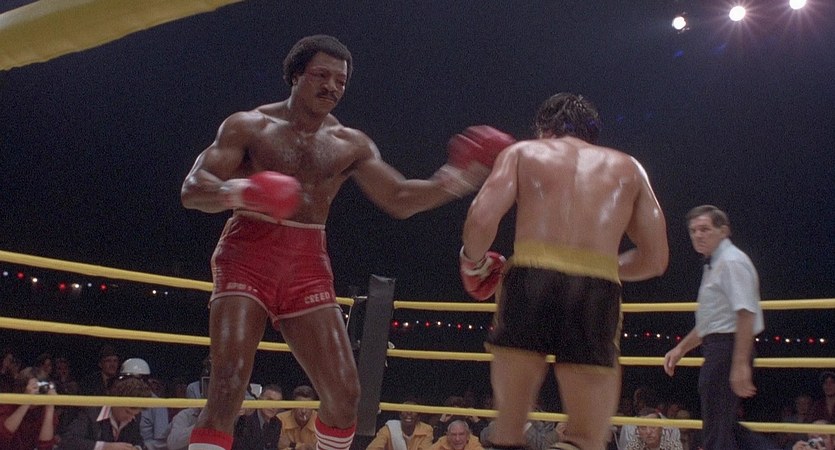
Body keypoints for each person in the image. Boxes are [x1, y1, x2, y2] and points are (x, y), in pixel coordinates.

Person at [180, 34, 514, 450]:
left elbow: (400, 198)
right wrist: (243, 191)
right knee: (228, 384)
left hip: (307, 263)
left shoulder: (350, 143)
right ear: (296, 75)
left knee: (345, 396)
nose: (332, 87)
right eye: (321, 75)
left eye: (341, 81)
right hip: (247, 253)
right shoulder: (249, 126)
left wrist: (462, 176)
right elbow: (193, 189)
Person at [459, 92, 669, 450]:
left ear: (544, 128)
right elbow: (656, 259)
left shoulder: (523, 153)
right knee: (585, 438)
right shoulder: (629, 168)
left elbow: (481, 219)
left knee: (508, 431)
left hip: (529, 279)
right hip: (596, 290)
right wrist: (602, 265)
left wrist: (474, 263)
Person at [663, 205, 765, 450]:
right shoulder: (716, 263)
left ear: (723, 231)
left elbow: (746, 313)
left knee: (716, 433)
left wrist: (739, 363)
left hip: (727, 350)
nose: (698, 235)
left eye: (705, 229)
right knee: (724, 428)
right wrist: (680, 348)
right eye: (693, 230)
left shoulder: (731, 262)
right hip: (720, 348)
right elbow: (710, 322)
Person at [57, 376, 153, 449]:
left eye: (134, 414)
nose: (131, 418)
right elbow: (68, 441)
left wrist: (136, 448)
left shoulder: (135, 416)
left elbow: (138, 441)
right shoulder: (91, 412)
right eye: (127, 412)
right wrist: (105, 447)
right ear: (115, 401)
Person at [0, 367, 58, 450]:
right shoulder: (7, 404)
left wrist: (50, 407)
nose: (36, 392)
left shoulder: (46, 413)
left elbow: (45, 447)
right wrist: (27, 401)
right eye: (34, 387)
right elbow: (2, 438)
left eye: (40, 387)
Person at [120, 358, 170, 450]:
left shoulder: (157, 404)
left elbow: (162, 441)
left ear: (144, 381)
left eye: (134, 380)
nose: (130, 384)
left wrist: (139, 447)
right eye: (126, 379)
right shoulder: (117, 400)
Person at [232, 384, 283, 450]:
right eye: (270, 400)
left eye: (277, 403)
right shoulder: (245, 418)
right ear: (260, 399)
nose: (273, 406)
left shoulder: (277, 423)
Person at [366, 401, 434, 450]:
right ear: (400, 415)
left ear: (418, 417)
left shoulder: (426, 430)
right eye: (405, 409)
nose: (409, 412)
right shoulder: (389, 429)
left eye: (413, 410)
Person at [277, 385, 319, 450]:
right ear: (293, 406)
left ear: (313, 408)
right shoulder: (280, 419)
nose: (303, 411)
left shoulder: (321, 421)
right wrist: (306, 447)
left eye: (308, 406)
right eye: (300, 405)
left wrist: (291, 444)